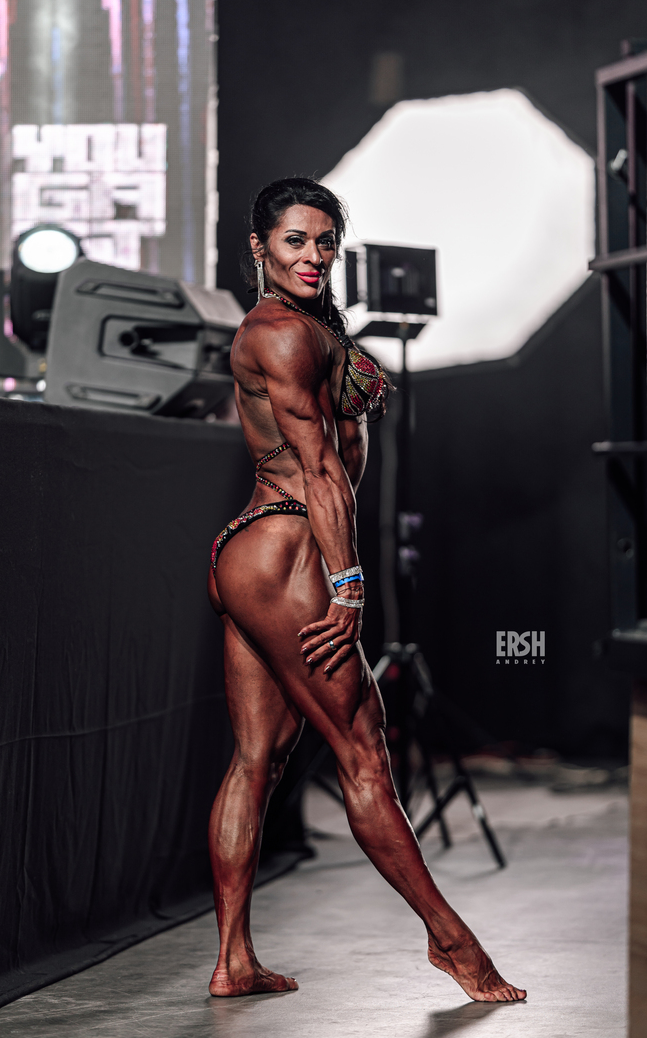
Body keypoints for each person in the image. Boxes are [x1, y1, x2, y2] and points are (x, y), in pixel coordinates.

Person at [207, 177, 526, 1003]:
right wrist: (347, 588)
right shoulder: (280, 333)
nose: (312, 256)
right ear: (259, 248)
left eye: (325, 242)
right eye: (295, 241)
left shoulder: (309, 326)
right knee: (363, 754)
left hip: (253, 552)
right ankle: (452, 942)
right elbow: (320, 472)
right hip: (287, 551)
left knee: (258, 759)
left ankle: (233, 962)